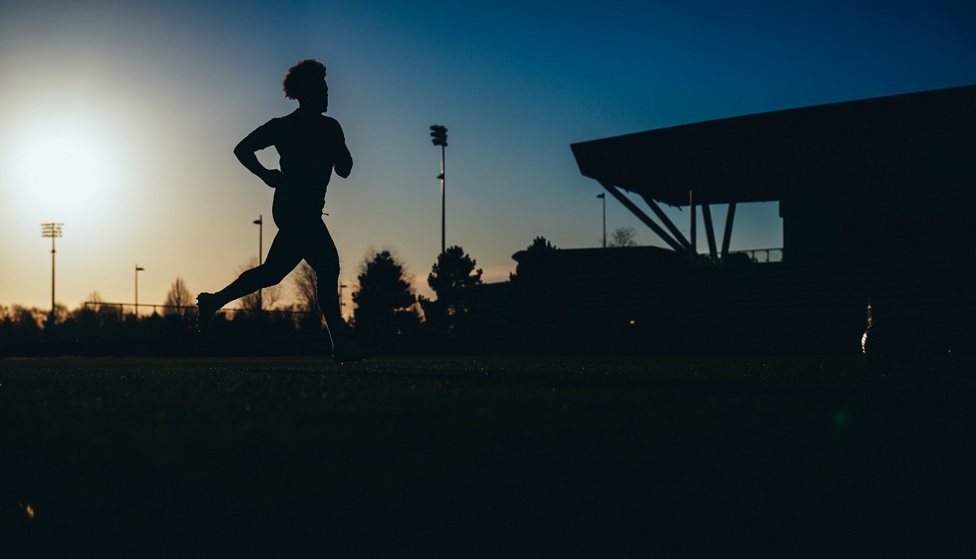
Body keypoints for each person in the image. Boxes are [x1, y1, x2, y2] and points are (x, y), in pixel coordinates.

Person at [197, 59, 365, 364]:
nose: (328, 94)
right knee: (327, 265)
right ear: (305, 92)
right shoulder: (284, 126)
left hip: (307, 210)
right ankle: (340, 343)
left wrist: (339, 148)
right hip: (292, 207)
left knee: (272, 273)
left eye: (328, 89)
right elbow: (242, 148)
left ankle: (213, 301)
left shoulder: (331, 127)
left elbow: (345, 170)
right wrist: (265, 174)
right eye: (322, 89)